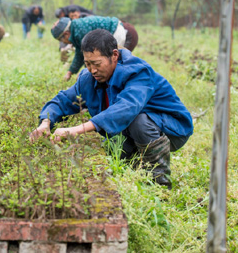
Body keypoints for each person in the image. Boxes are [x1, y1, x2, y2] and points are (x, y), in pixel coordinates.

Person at [30, 29, 193, 189]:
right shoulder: (88, 79)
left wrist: (75, 130)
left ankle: (159, 182)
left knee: (139, 121)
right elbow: (63, 100)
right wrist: (46, 122)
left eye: (97, 64)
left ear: (114, 55)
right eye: (87, 64)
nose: (92, 70)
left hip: (172, 129)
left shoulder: (138, 73)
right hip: (131, 127)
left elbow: (125, 109)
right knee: (112, 147)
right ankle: (136, 168)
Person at [51, 16, 139, 81]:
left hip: (121, 33)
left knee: (115, 65)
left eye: (61, 40)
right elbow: (80, 53)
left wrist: (85, 74)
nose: (63, 43)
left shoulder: (80, 31)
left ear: (66, 34)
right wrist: (70, 72)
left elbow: (91, 56)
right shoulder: (75, 30)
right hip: (117, 33)